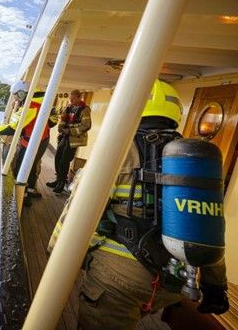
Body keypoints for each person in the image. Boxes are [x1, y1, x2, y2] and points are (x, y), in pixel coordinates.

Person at [48, 80, 228, 329]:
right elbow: (207, 225)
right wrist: (216, 285)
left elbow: (77, 212)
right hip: (173, 282)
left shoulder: (117, 150)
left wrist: (55, 256)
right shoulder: (191, 160)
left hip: (118, 280)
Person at [0, 81, 56, 205]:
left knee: (22, 168)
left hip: (31, 143)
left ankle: (21, 199)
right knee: (32, 167)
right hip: (42, 141)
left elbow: (13, 128)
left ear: (22, 93)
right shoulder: (41, 102)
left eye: (16, 95)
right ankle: (29, 193)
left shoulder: (30, 106)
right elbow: (52, 122)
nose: (16, 98)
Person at [46, 89, 91, 193]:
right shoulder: (69, 107)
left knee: (64, 161)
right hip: (64, 137)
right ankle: (58, 180)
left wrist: (70, 131)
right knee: (57, 158)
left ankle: (61, 183)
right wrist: (61, 128)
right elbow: (63, 119)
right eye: (70, 98)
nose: (71, 101)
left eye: (73, 99)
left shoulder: (85, 109)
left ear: (79, 98)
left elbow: (86, 125)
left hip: (74, 139)